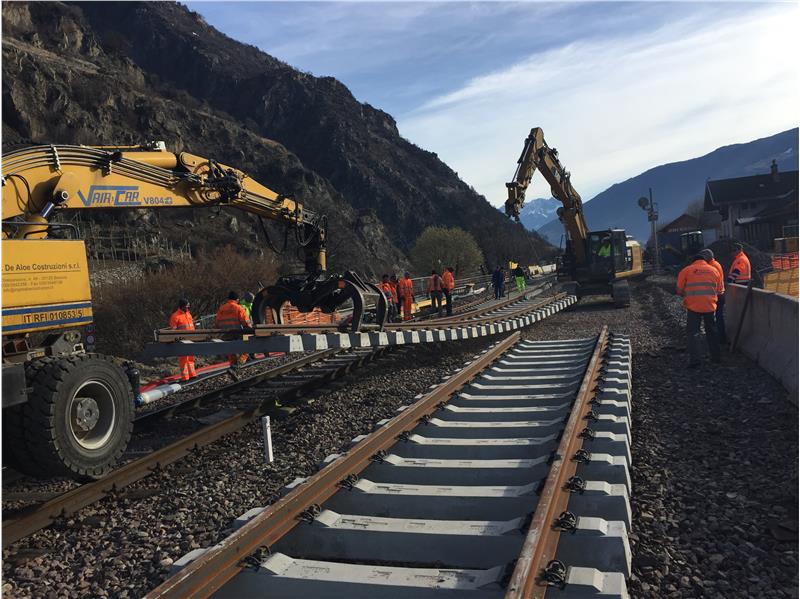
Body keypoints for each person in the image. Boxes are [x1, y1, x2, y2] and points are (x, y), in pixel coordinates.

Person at [677, 251, 723, 367]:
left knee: (693, 333)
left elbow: (679, 290)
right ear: (705, 260)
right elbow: (720, 290)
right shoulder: (714, 270)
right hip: (710, 306)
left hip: (693, 307)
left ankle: (695, 360)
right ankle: (716, 357)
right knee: (712, 332)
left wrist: (688, 295)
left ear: (693, 261)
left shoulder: (686, 270)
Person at [215, 291, 252, 367]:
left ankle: (233, 365)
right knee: (248, 346)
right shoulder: (239, 308)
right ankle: (241, 362)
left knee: (231, 350)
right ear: (237, 299)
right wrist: (250, 328)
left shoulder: (222, 308)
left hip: (225, 334)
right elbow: (245, 322)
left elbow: (217, 323)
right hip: (237, 333)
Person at [168, 298, 197, 381]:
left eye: (189, 306)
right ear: (182, 306)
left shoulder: (188, 314)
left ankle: (192, 374)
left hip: (191, 339)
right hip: (181, 341)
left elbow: (192, 327)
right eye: (187, 306)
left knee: (191, 357)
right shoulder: (175, 316)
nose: (188, 308)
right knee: (183, 358)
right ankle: (185, 376)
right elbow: (173, 330)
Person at [703, 249, 727, 344]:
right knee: (718, 317)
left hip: (717, 295)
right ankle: (720, 338)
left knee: (717, 317)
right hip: (719, 294)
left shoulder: (712, 266)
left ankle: (719, 339)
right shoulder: (715, 264)